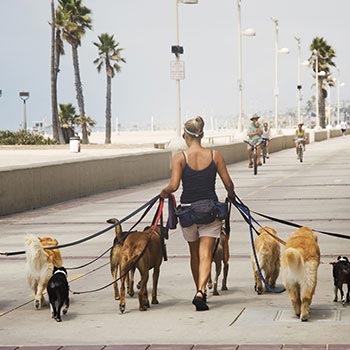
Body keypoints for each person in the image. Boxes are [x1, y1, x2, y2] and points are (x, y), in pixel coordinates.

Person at [160, 116, 235, 311]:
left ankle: (198, 290)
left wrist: (164, 192)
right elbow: (228, 183)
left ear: (185, 135)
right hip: (210, 211)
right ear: (202, 135)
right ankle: (202, 291)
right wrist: (232, 195)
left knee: (194, 254)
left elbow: (174, 186)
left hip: (187, 213)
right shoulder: (215, 155)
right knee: (205, 254)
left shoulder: (180, 158)